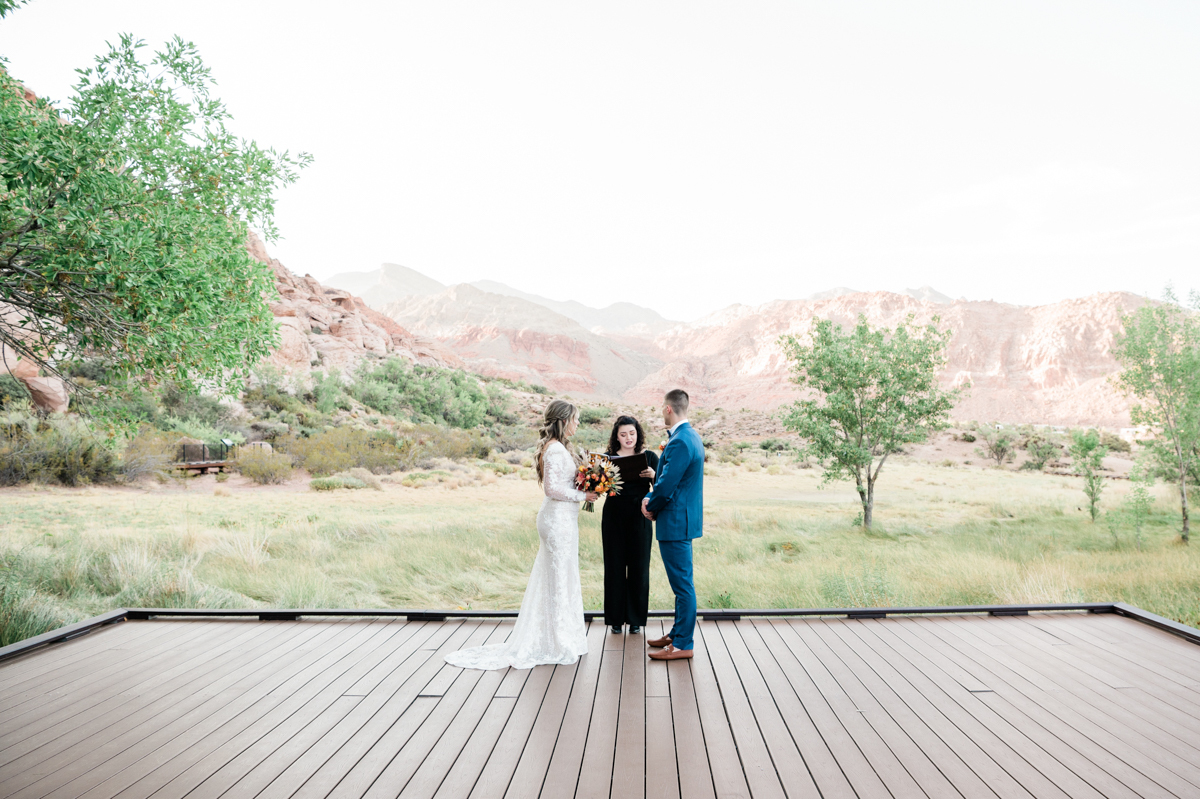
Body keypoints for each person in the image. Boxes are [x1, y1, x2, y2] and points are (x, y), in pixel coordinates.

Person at [445, 399, 599, 670]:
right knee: (557, 576)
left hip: (565, 520)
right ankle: (556, 641)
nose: (577, 424)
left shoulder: (561, 448)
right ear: (562, 421)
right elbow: (551, 489)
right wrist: (583, 494)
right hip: (556, 521)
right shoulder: (553, 450)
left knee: (562, 575)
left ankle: (563, 636)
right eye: (575, 419)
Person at [642, 388, 704, 661]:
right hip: (682, 520)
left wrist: (649, 505)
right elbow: (671, 481)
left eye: (661, 408)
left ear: (668, 408)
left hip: (676, 522)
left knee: (682, 586)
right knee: (682, 583)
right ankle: (677, 634)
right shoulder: (691, 436)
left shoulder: (679, 441)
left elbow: (667, 486)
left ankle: (682, 644)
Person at [601, 415, 659, 635]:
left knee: (639, 567)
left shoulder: (650, 457)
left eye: (632, 433)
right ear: (617, 436)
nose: (628, 438)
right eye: (623, 434)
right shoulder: (607, 458)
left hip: (641, 514)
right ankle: (615, 619)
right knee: (614, 566)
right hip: (613, 514)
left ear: (638, 434)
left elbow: (662, 484)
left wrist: (654, 475)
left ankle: (635, 619)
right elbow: (600, 489)